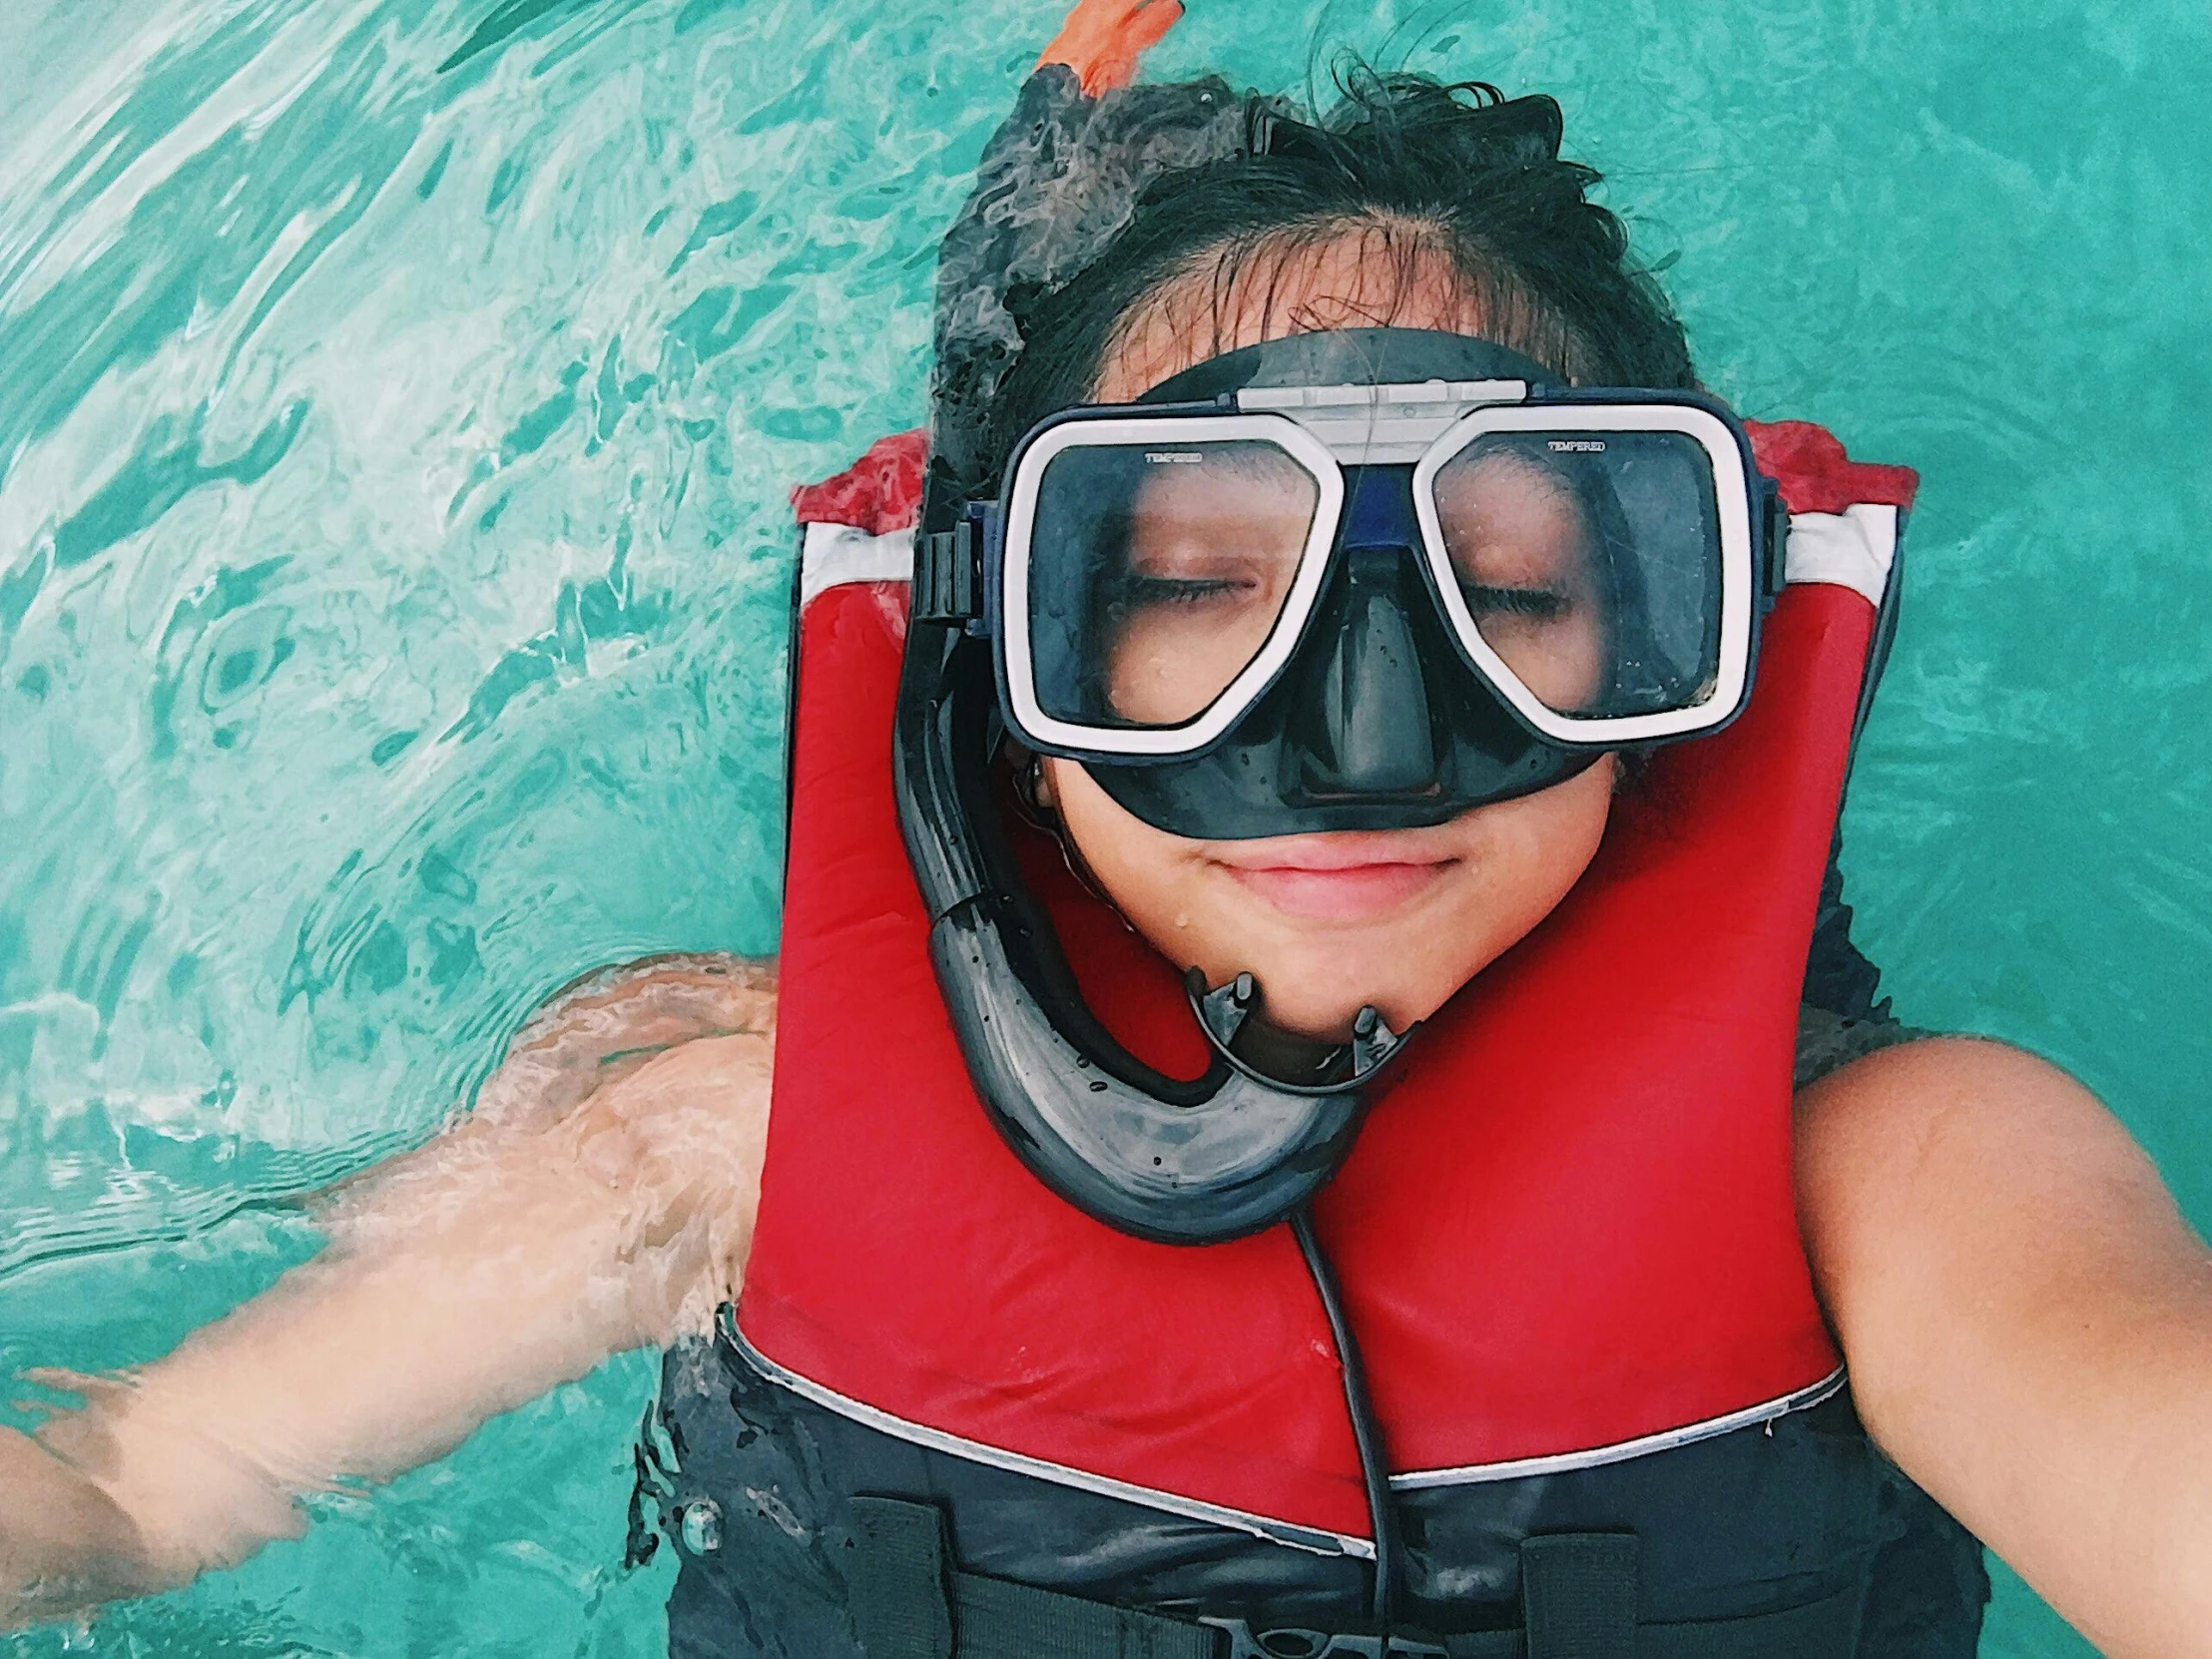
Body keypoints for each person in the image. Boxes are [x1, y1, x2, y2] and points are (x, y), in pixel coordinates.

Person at [4, 2, 2210, 1654]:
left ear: (1671, 642)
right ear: (1002, 655)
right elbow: (127, 1479)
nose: (1360, 730)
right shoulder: (728, 1133)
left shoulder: (1907, 1182)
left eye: (1511, 591)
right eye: (1177, 594)